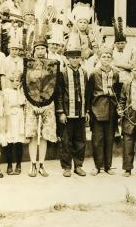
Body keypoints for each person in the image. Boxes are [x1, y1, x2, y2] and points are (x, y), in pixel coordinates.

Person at [23, 35, 61, 178]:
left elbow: (54, 85)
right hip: (31, 103)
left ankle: (41, 164)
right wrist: (33, 103)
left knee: (44, 136)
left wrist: (45, 103)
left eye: (42, 49)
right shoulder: (28, 63)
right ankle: (33, 164)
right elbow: (25, 85)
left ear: (46, 50)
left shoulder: (53, 64)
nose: (40, 51)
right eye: (38, 48)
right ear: (34, 50)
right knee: (33, 135)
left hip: (48, 103)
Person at [58, 39, 90, 177]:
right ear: (68, 58)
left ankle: (78, 165)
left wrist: (87, 110)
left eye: (77, 57)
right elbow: (59, 94)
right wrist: (61, 112)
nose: (75, 60)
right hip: (67, 111)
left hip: (81, 112)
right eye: (72, 58)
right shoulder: (63, 73)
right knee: (66, 140)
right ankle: (66, 167)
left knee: (80, 140)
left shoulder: (84, 73)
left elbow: (87, 93)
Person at [88, 46, 120, 175]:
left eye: (108, 56)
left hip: (111, 108)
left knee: (109, 138)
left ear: (111, 58)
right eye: (103, 56)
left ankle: (108, 166)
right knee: (97, 139)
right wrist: (89, 111)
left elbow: (117, 91)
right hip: (97, 108)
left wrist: (118, 107)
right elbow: (89, 93)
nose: (106, 59)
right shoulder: (94, 73)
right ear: (100, 58)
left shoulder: (116, 73)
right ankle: (97, 166)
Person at [3, 72, 26, 175]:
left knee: (18, 142)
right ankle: (9, 165)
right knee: (9, 141)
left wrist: (19, 91)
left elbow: (22, 102)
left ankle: (18, 164)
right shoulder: (6, 91)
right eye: (16, 81)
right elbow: (6, 104)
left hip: (19, 116)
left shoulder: (21, 91)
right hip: (9, 116)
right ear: (11, 81)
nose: (18, 83)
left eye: (19, 81)